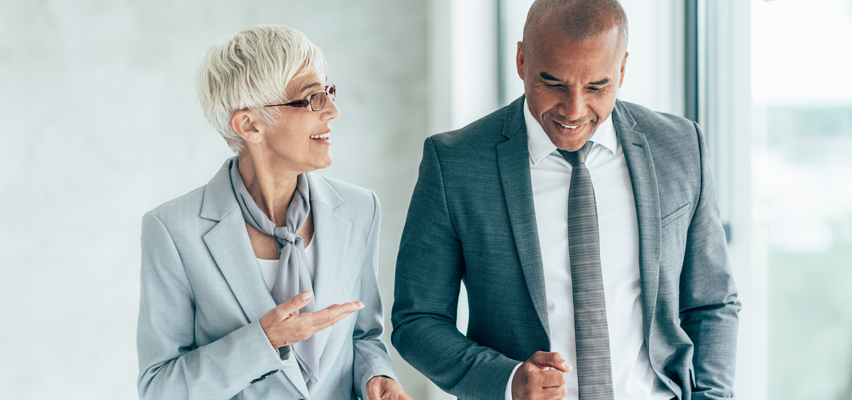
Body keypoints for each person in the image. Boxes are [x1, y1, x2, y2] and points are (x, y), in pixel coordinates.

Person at [390, 1, 739, 400]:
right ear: (521, 60)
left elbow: (712, 303)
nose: (573, 110)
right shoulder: (454, 163)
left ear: (622, 69)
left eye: (596, 86)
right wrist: (507, 381)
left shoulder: (680, 147)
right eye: (553, 83)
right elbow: (417, 320)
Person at [136, 25, 410, 400]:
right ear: (249, 125)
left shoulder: (361, 210)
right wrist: (263, 342)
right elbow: (159, 389)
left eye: (327, 91)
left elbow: (362, 336)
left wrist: (377, 377)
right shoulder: (172, 231)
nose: (333, 111)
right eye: (311, 98)